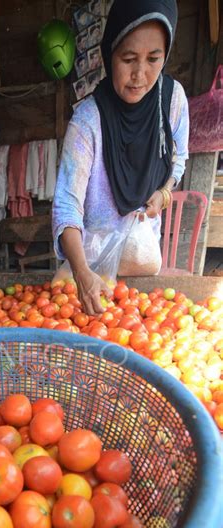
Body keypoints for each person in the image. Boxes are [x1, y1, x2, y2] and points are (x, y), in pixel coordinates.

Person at [52, 0, 189, 315]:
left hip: (141, 259)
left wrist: (164, 192)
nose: (140, 75)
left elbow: (178, 158)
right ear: (109, 54)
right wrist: (83, 273)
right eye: (128, 59)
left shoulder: (172, 101)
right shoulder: (88, 122)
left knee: (141, 337)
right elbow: (65, 205)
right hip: (87, 269)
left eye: (154, 59)